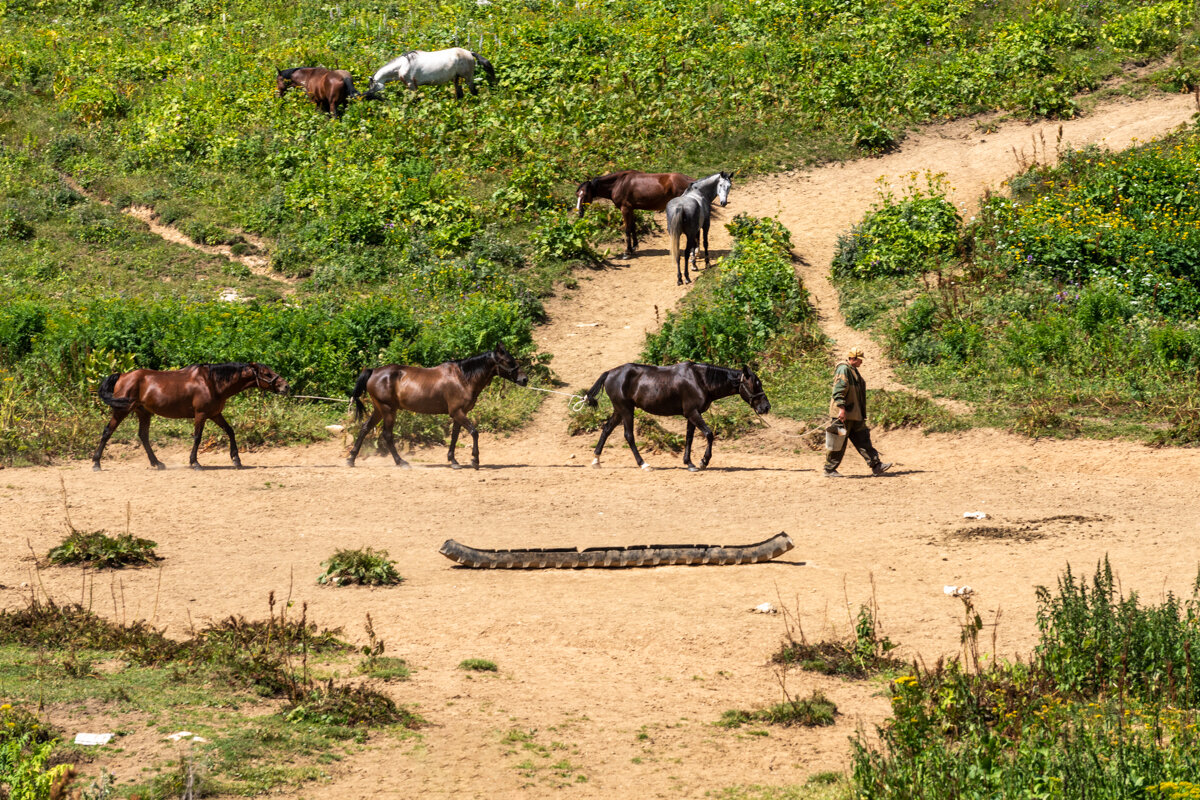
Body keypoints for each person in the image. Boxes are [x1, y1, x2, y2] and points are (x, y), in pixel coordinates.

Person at [824, 346, 892, 478]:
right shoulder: (844, 369)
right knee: (838, 442)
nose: (862, 362)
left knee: (863, 440)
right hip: (843, 414)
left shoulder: (853, 370)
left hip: (854, 414)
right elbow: (839, 390)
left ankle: (876, 465)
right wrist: (841, 409)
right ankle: (829, 469)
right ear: (853, 358)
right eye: (860, 359)